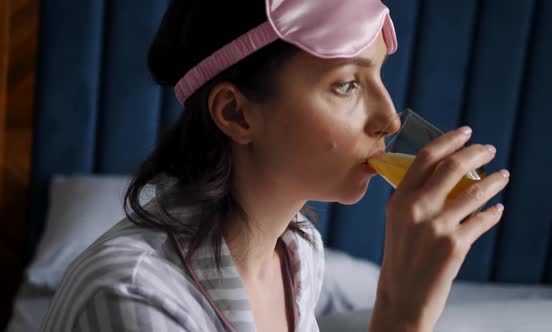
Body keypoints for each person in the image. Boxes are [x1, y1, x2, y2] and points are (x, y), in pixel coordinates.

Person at [42, 0, 510, 331]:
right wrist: (401, 314)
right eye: (346, 84)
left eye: (379, 73)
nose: (388, 118)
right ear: (235, 113)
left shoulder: (298, 250)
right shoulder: (135, 299)